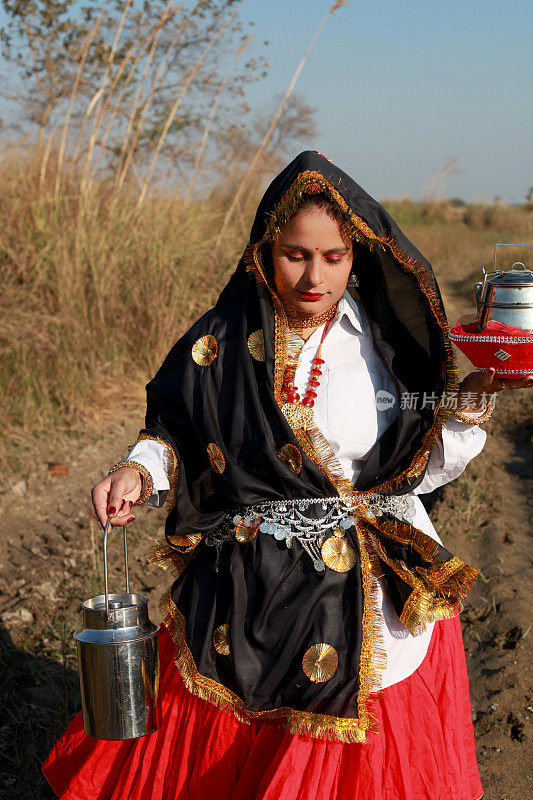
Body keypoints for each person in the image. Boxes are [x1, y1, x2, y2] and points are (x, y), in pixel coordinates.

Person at [42, 151, 533, 800]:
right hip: (251, 580)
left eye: (333, 258)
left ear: (355, 256)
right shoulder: (222, 338)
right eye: (296, 254)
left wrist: (471, 404)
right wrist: (139, 469)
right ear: (265, 249)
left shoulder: (384, 345)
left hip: (366, 591)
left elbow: (424, 466)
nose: (313, 276)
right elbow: (180, 432)